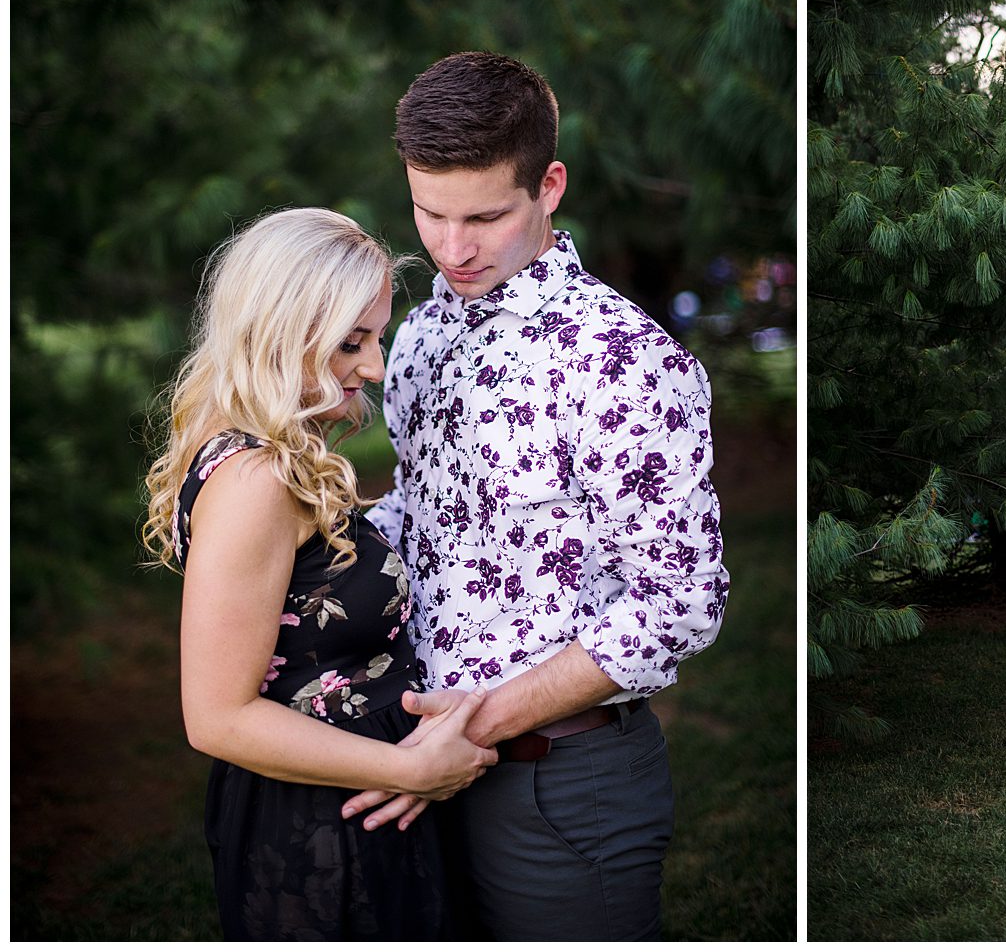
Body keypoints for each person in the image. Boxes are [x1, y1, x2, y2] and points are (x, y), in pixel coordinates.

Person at [339, 51, 731, 939]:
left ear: (549, 186)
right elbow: (428, 514)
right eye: (427, 214)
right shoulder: (422, 334)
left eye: (484, 216)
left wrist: (473, 725)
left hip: (562, 784)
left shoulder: (625, 361)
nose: (452, 248)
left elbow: (681, 603)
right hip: (419, 769)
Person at [144, 207, 500, 939]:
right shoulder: (256, 482)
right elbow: (214, 718)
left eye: (376, 337)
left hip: (358, 800)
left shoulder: (277, 457)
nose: (373, 366)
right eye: (351, 343)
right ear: (282, 334)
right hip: (324, 826)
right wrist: (413, 773)